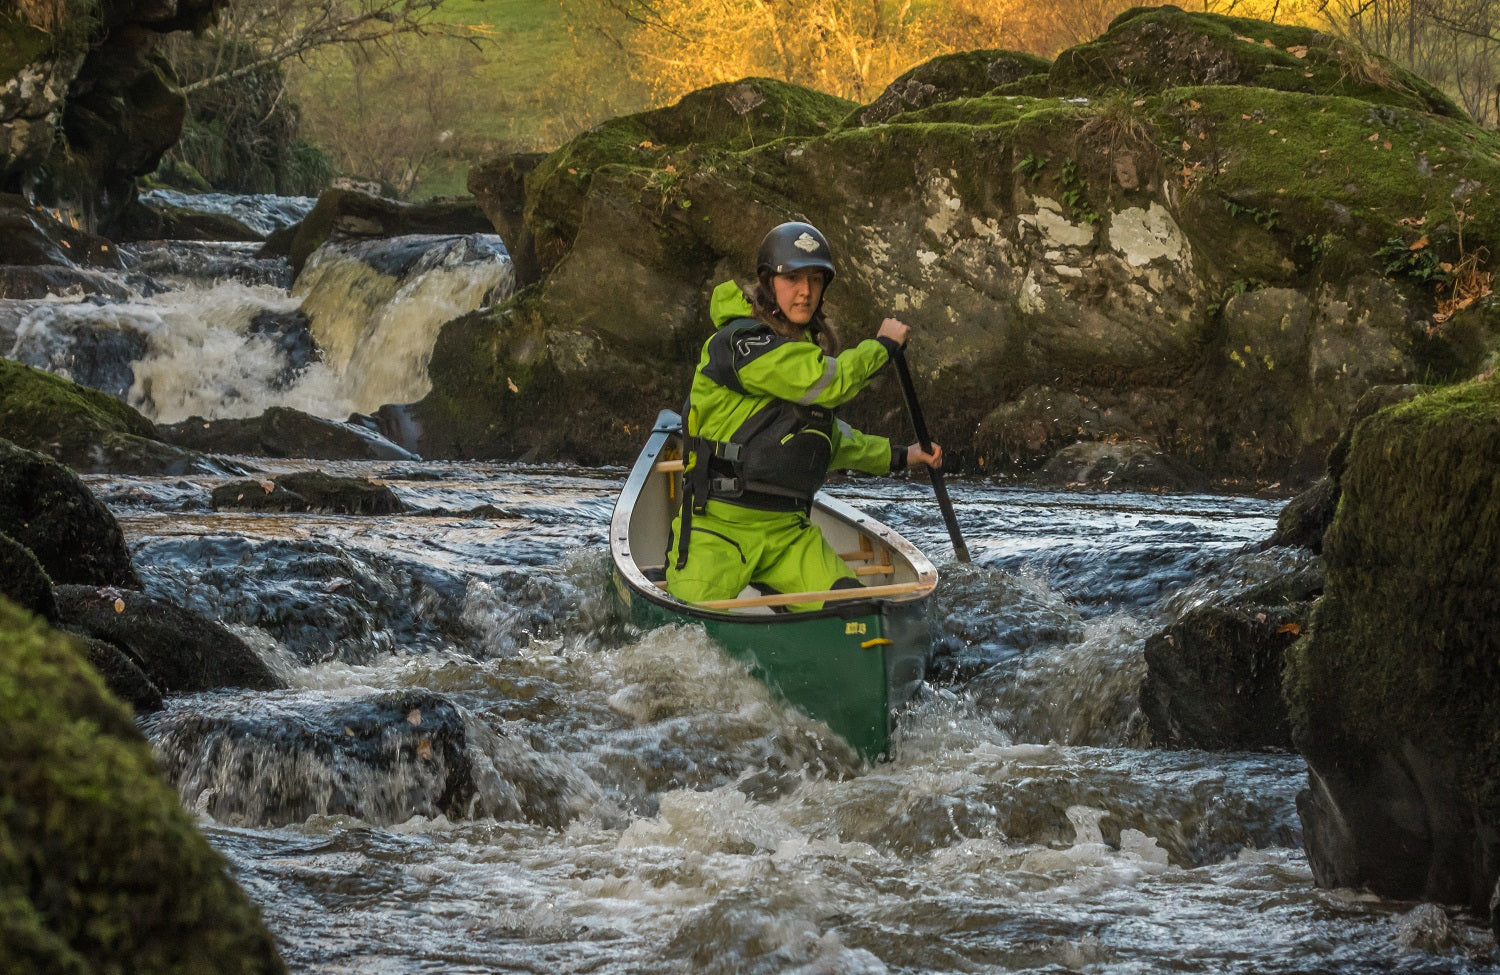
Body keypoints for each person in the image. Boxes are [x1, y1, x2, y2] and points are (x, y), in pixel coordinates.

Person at [666, 221, 942, 611]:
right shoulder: (742, 344)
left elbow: (826, 438)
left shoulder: (800, 352)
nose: (805, 291)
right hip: (718, 528)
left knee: (851, 613)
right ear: (768, 282)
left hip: (789, 534)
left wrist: (902, 455)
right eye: (792, 277)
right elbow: (827, 382)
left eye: (815, 279)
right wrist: (881, 347)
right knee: (689, 628)